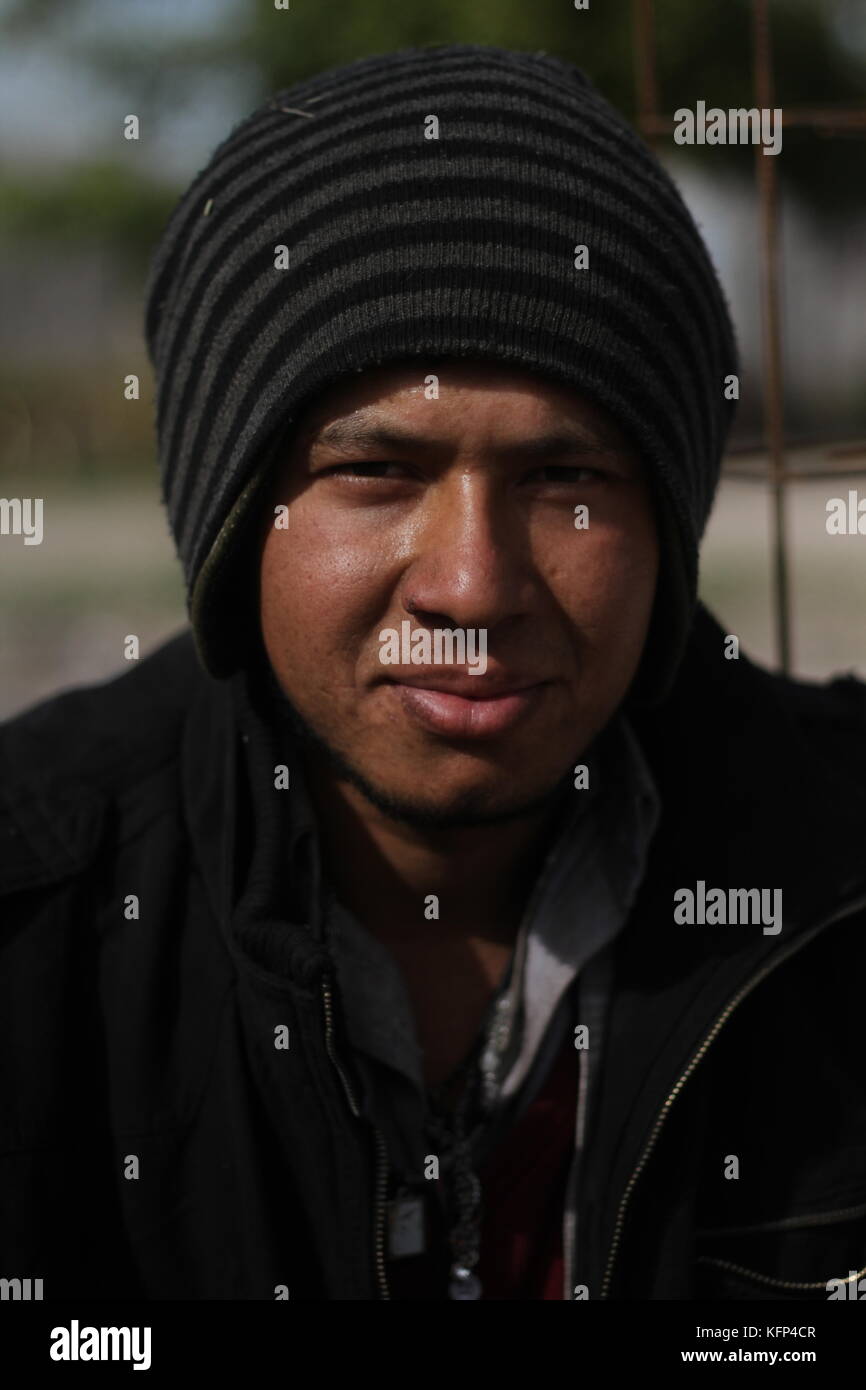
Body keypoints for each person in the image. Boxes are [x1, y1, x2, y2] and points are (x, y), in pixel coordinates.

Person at [2, 42, 865, 1303]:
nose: (470, 584)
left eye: (565, 479)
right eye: (376, 472)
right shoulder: (33, 917)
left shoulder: (838, 878)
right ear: (237, 514)